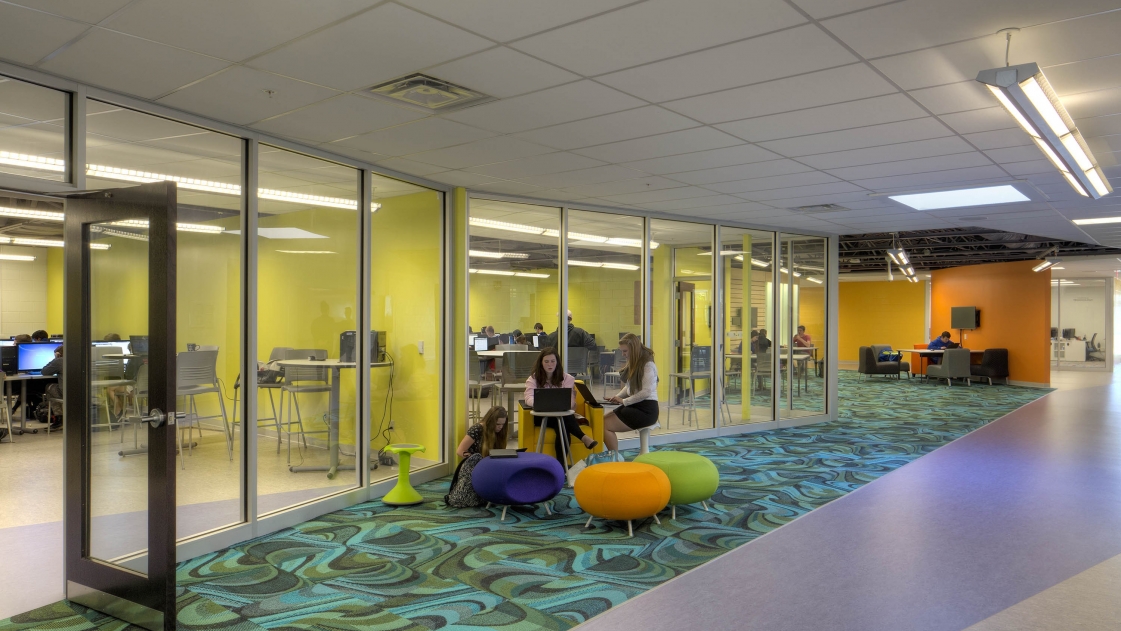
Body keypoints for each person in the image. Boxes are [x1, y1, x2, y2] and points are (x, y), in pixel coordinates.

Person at [525, 347, 597, 465]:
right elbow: (528, 397)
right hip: (541, 416)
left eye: (553, 361)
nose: (550, 364)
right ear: (541, 363)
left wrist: (558, 405)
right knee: (563, 421)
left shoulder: (568, 378)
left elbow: (570, 402)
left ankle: (560, 465)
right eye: (546, 361)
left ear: (557, 362)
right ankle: (583, 438)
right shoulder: (533, 379)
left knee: (562, 425)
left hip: (561, 414)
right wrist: (540, 403)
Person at [604, 333, 659, 453]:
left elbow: (646, 392)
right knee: (602, 421)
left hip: (646, 410)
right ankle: (614, 458)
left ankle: (615, 459)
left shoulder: (648, 365)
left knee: (604, 425)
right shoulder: (635, 363)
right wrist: (617, 397)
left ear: (633, 349)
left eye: (625, 351)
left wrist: (624, 401)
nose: (623, 355)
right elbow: (629, 387)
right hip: (636, 406)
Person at [447, 406, 509, 508]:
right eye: (497, 424)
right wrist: (475, 457)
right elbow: (460, 451)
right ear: (490, 422)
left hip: (489, 464)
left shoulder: (500, 432)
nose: (500, 427)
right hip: (474, 465)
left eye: (502, 424)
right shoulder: (477, 429)